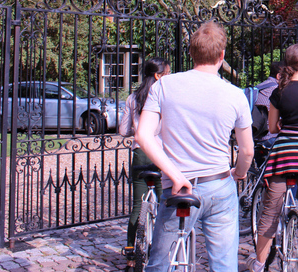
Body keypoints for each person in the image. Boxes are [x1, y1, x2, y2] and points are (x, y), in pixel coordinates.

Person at [136, 21, 255, 272]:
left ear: (191, 53)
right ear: (222, 56)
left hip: (180, 186)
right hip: (219, 183)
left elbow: (143, 136)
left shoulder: (164, 86)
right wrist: (240, 173)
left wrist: (175, 174)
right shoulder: (235, 95)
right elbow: (247, 151)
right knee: (224, 265)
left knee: (159, 264)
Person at [246, 44, 298, 272]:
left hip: (284, 158)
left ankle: (259, 263)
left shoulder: (279, 92)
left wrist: (286, 124)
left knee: (269, 214)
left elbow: (273, 129)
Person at [118, 57, 170, 272]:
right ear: (158, 76)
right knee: (164, 203)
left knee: (139, 205)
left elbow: (123, 131)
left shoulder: (133, 97)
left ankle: (131, 252)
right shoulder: (165, 97)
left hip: (140, 153)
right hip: (160, 154)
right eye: (167, 73)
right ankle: (161, 251)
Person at [253, 61, 283, 147]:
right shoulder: (277, 90)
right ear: (279, 76)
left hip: (256, 137)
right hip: (271, 138)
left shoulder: (259, 88)